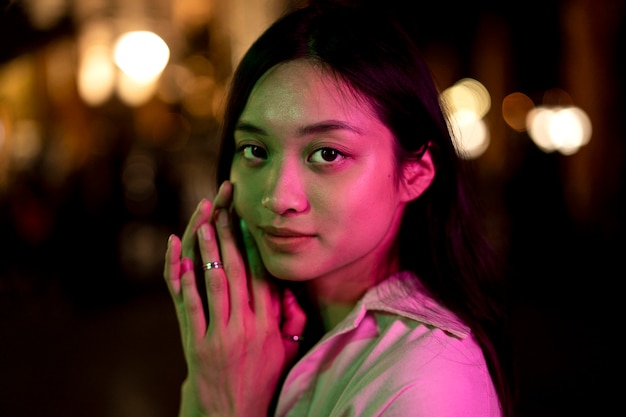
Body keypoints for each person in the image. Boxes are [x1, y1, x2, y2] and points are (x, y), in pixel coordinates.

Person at [163, 1, 515, 416]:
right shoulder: (252, 344)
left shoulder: (430, 381)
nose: (278, 197)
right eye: (255, 150)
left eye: (328, 153)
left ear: (414, 174)